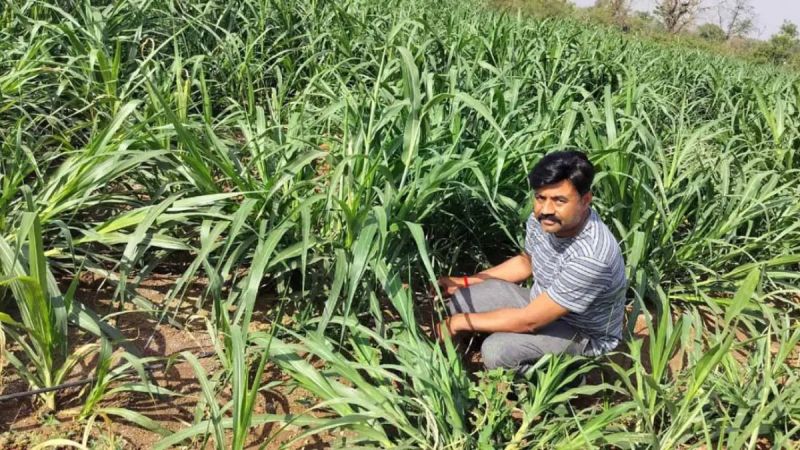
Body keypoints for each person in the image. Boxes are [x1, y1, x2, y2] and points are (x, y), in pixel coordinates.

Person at [435, 150, 627, 374]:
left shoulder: (592, 257)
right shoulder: (544, 220)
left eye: (559, 200)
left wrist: (458, 323)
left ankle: (576, 375)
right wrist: (464, 282)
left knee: (496, 352)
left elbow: (529, 321)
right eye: (540, 197)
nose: (546, 209)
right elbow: (526, 263)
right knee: (461, 301)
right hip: (541, 302)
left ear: (585, 200)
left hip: (582, 334)